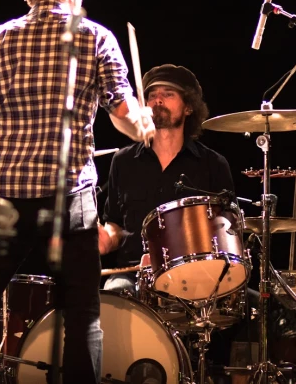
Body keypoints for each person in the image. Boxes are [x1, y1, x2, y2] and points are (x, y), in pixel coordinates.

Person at [0, 0, 156, 384]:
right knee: (82, 313)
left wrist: (4, 148)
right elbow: (123, 113)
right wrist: (142, 125)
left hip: (3, 199)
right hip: (68, 197)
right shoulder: (95, 37)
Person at [98, 64, 236, 291]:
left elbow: (227, 229)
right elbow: (115, 223)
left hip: (195, 274)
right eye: (152, 95)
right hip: (134, 275)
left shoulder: (213, 164)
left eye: (168, 94)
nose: (158, 100)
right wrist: (107, 238)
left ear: (189, 107)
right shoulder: (123, 161)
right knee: (112, 295)